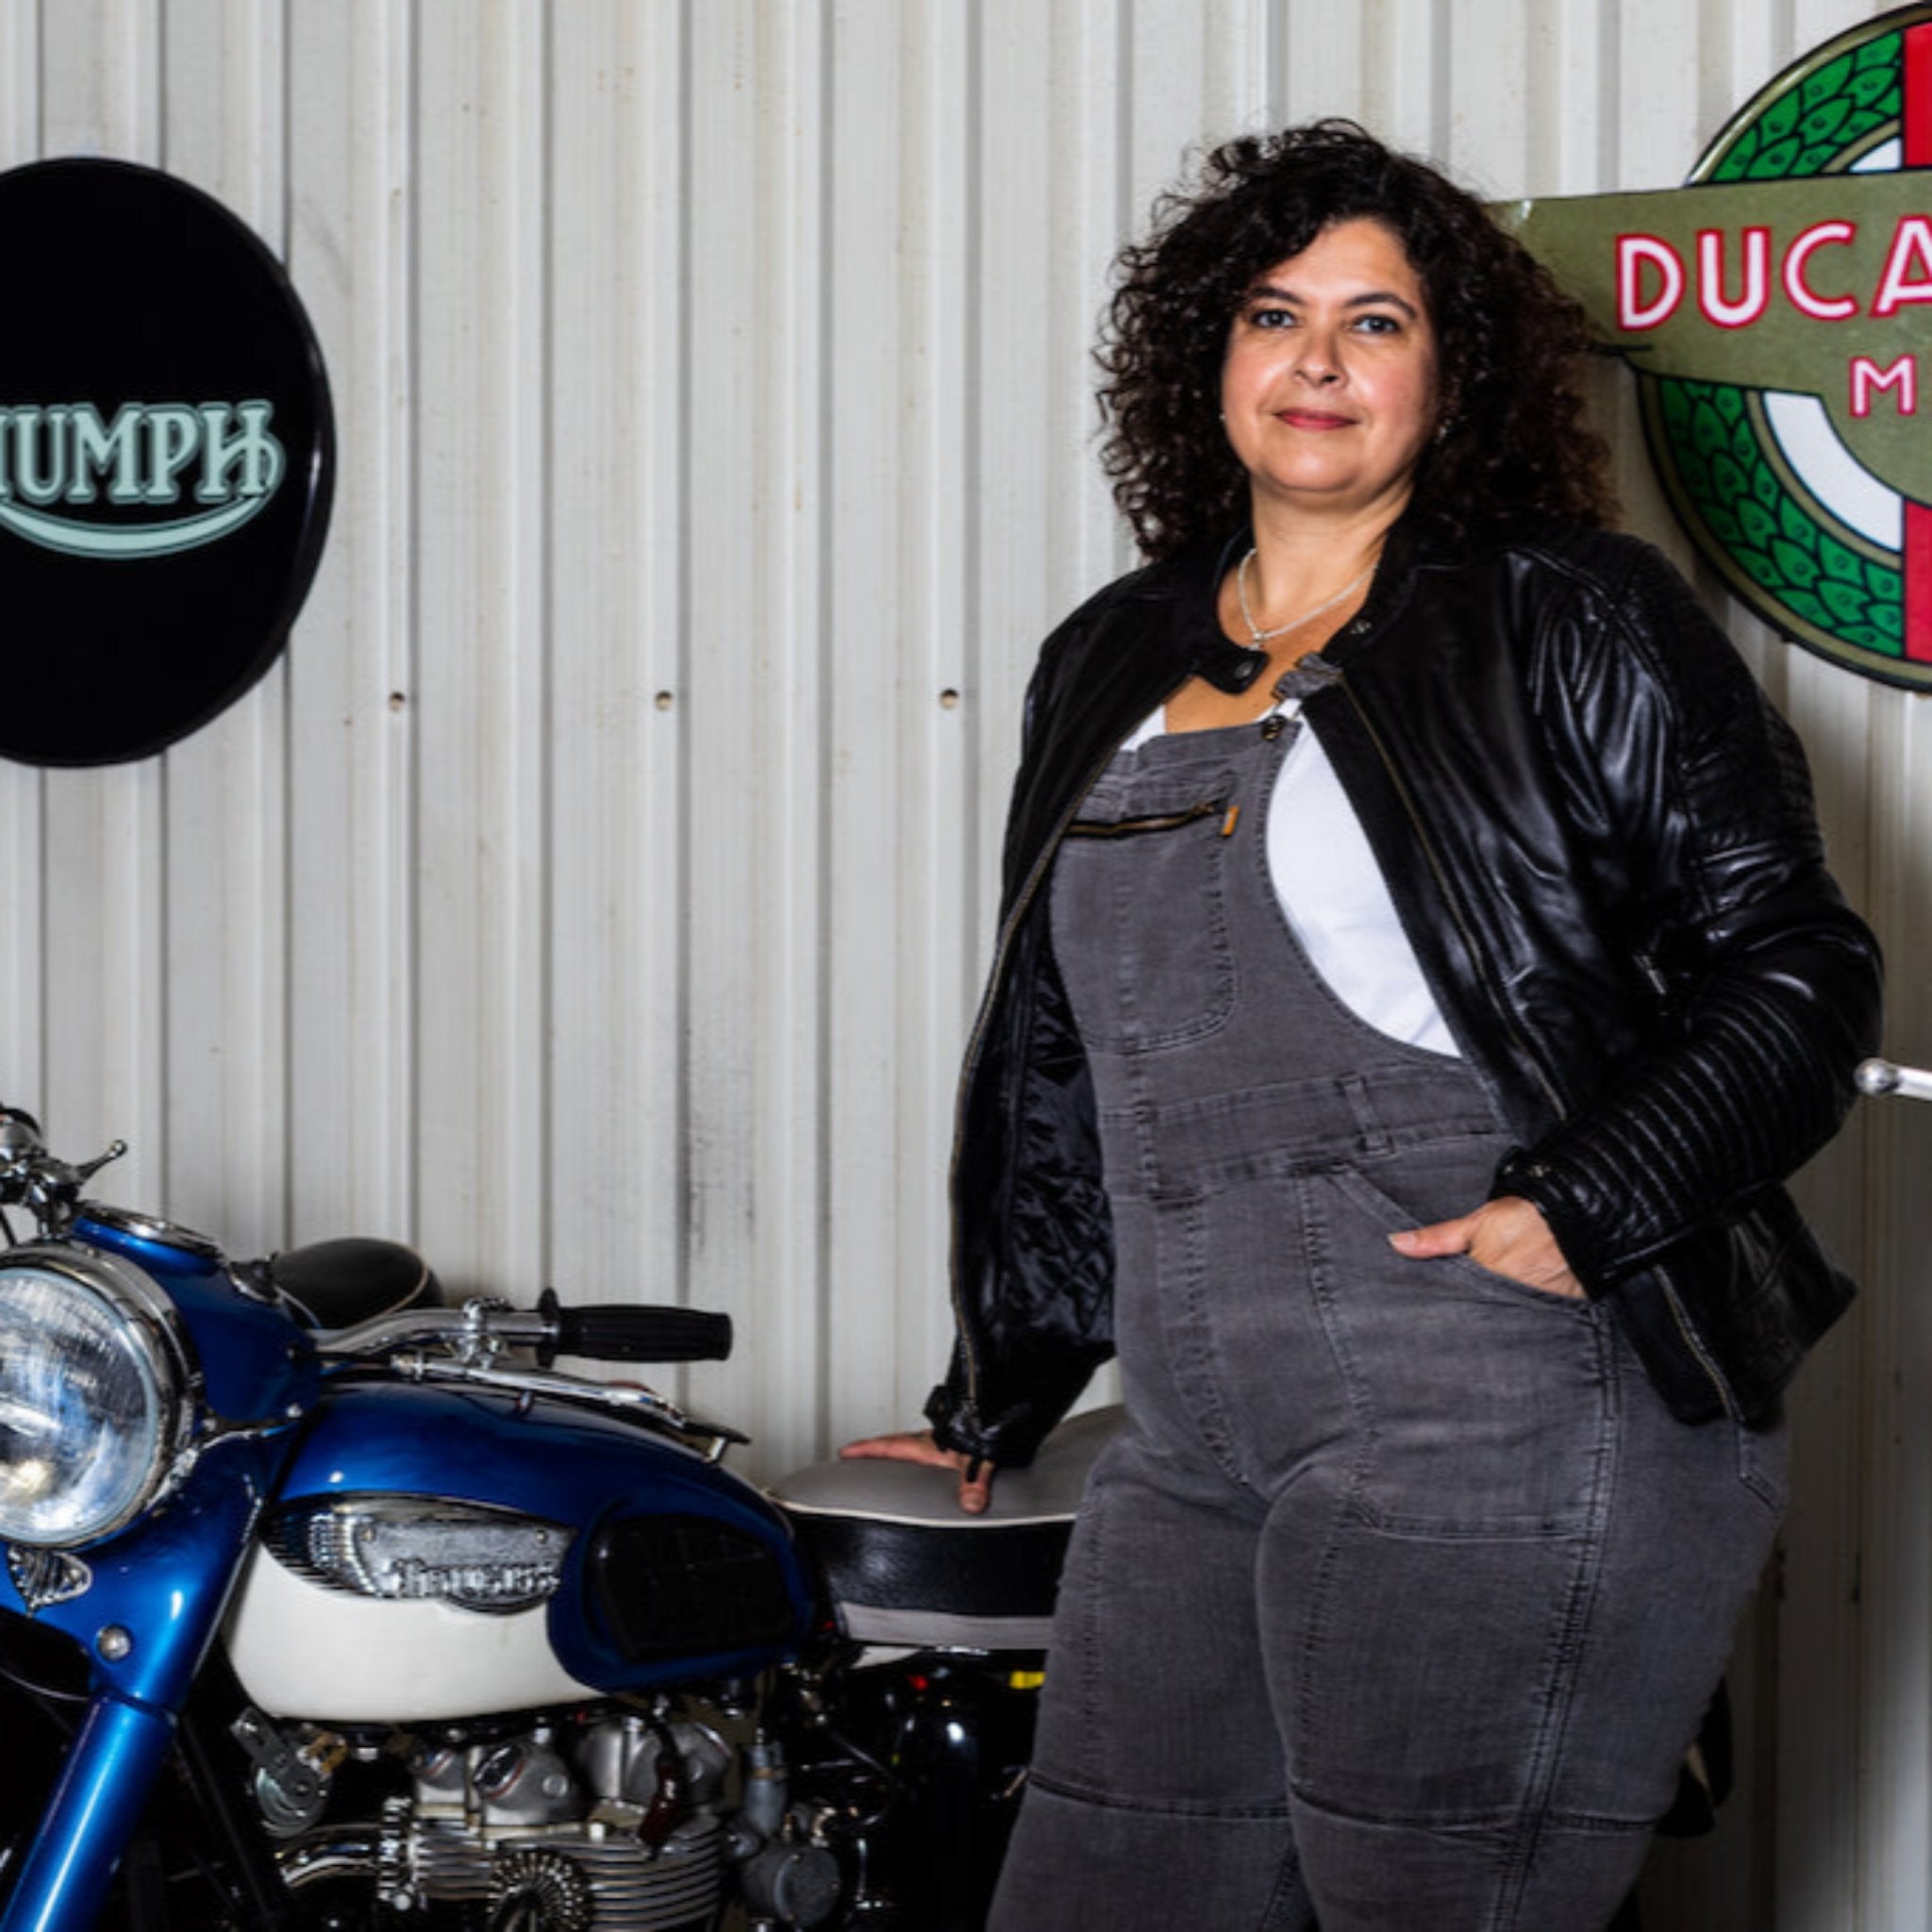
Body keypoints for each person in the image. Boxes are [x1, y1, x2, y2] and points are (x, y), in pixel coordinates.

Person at [842, 121, 1882, 1930]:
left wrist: (1584, 1204)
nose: (1315, 359)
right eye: (1272, 312)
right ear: (1211, 360)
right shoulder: (1110, 654)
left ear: (1452, 380)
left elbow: (1798, 968)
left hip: (1505, 1390)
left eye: (1376, 321)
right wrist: (999, 1387)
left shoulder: (1571, 613)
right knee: (1102, 1891)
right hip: (1193, 1423)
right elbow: (1070, 1064)